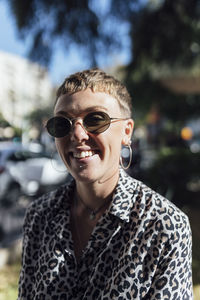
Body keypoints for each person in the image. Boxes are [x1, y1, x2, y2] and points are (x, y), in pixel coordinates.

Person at [18, 68, 193, 299]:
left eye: (95, 119)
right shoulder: (39, 216)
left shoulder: (164, 226)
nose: (78, 134)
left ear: (127, 131)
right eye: (63, 123)